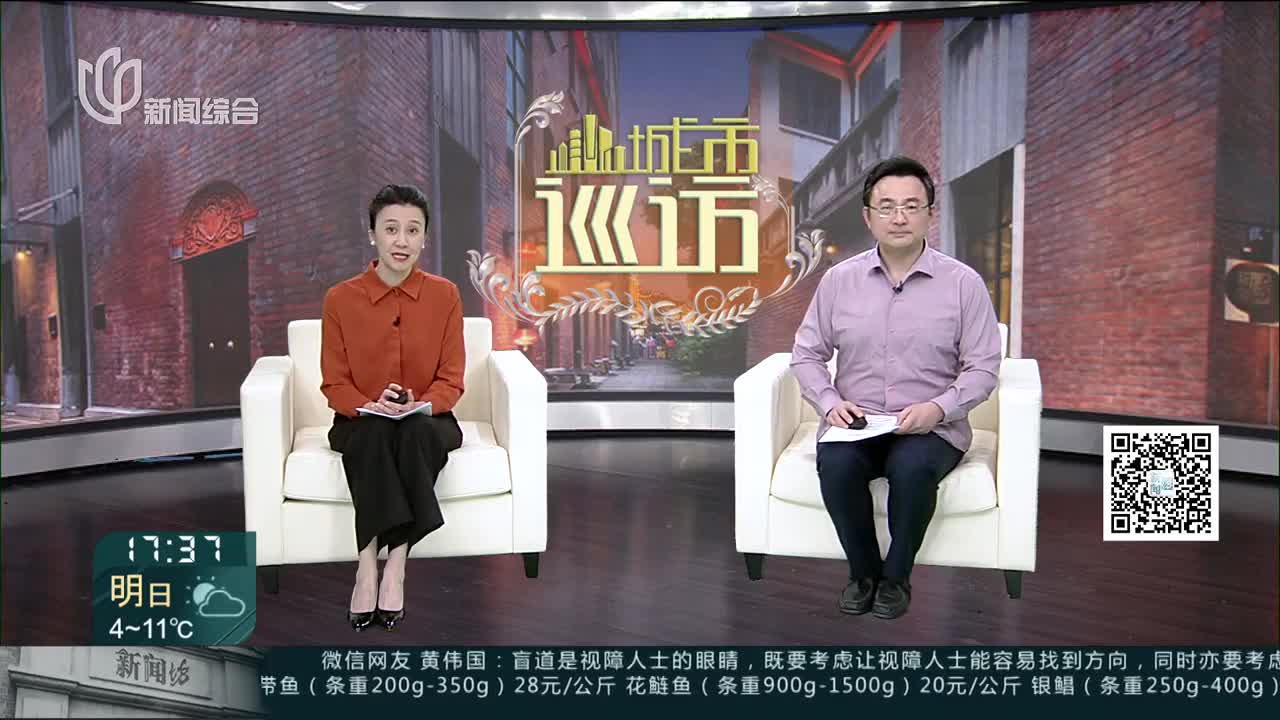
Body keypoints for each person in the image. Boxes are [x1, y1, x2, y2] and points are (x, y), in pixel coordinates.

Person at [790, 156, 1002, 620]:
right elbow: (806, 355)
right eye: (886, 207)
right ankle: (863, 574)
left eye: (911, 205)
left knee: (912, 469)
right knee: (838, 466)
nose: (899, 217)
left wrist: (939, 408)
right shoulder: (839, 281)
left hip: (931, 426)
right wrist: (829, 403)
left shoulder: (963, 284)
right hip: (857, 421)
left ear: (930, 214)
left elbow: (984, 368)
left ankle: (896, 578)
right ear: (868, 217)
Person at [320, 184, 466, 632]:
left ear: (425, 238)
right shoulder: (340, 299)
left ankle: (396, 565)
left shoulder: (445, 295)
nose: (402, 241)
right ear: (372, 235)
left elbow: (451, 378)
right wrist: (368, 405)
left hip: (428, 420)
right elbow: (334, 383)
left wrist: (422, 404)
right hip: (360, 420)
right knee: (374, 434)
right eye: (390, 229)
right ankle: (367, 566)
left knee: (414, 433)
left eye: (413, 230)